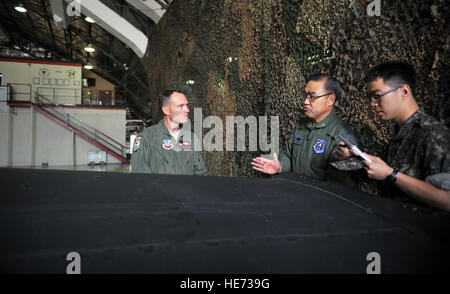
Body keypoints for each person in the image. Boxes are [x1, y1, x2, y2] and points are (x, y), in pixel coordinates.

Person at [335, 61, 450, 211]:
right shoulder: (402, 131)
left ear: (404, 91)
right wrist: (354, 157)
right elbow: (386, 176)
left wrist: (391, 174)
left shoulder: (432, 133)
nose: (373, 104)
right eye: (370, 98)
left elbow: (447, 200)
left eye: (377, 96)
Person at [252, 74, 359, 181]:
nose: (305, 102)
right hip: (295, 191)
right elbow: (288, 155)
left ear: (330, 99)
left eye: (312, 97)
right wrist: (279, 167)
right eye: (305, 95)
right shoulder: (301, 125)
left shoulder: (342, 137)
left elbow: (342, 186)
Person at [131, 89, 207, 175]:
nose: (187, 110)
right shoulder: (146, 138)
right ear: (166, 110)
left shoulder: (191, 138)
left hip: (187, 188)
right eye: (181, 106)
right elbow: (139, 174)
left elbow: (200, 173)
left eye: (186, 105)